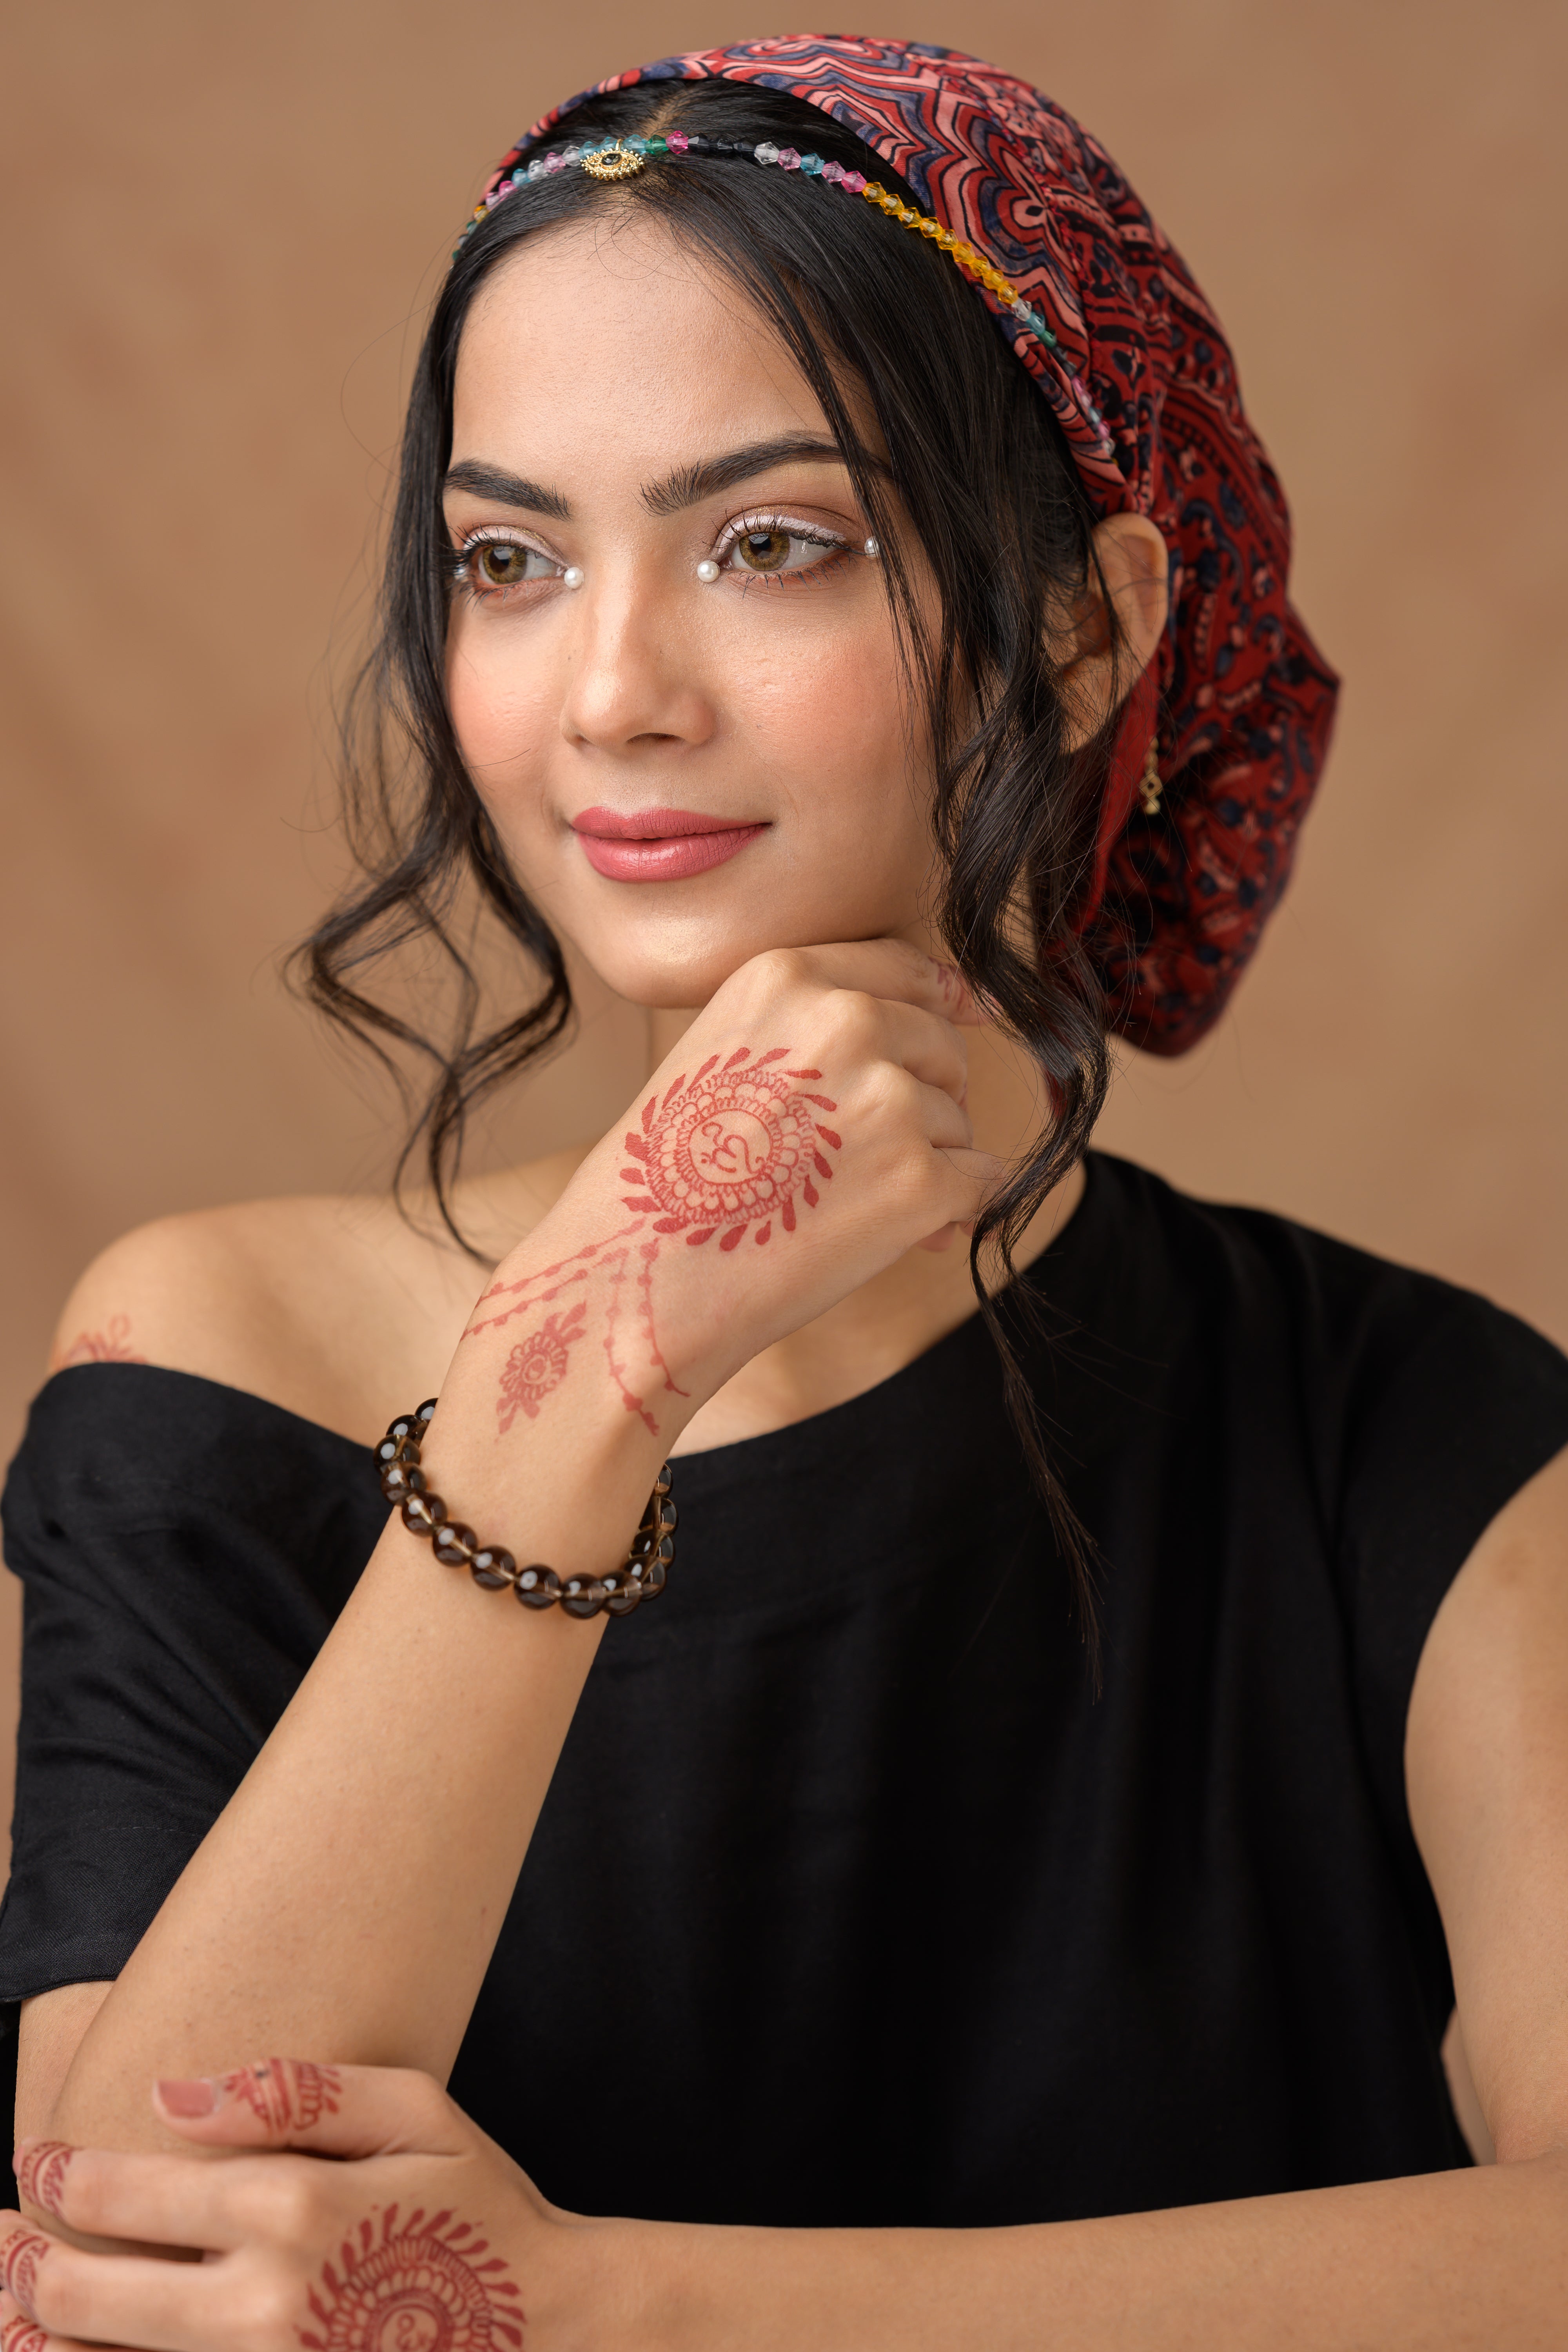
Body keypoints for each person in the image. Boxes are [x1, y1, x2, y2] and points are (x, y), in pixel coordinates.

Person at [2, 35, 1566, 2350]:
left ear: (1086, 629)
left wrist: (613, 2306)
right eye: (509, 560)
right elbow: (111, 2271)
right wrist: (600, 1345)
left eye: (773, 543)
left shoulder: (1417, 1436)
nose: (610, 691)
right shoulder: (211, 1352)